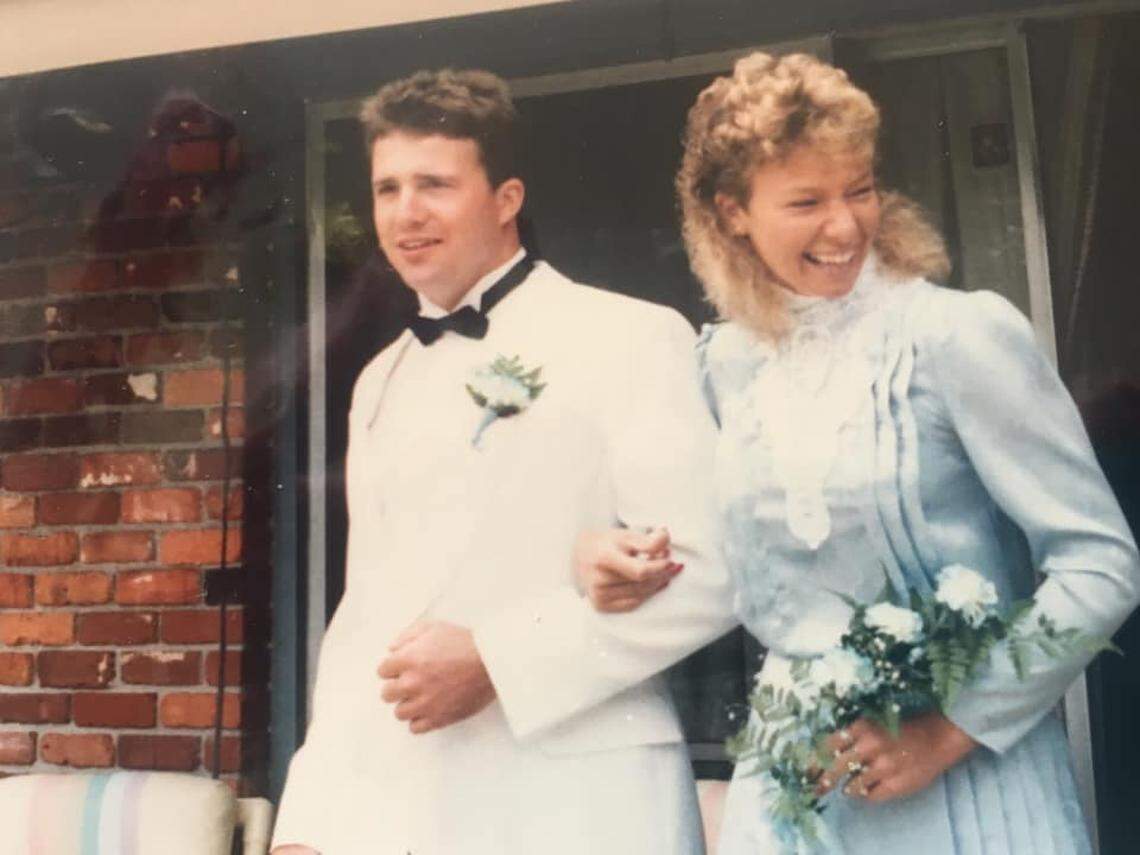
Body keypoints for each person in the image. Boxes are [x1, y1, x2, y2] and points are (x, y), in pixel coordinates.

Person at [577, 52, 1140, 853]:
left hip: (959, 784)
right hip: (793, 789)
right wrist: (606, 551)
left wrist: (949, 729)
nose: (844, 226)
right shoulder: (724, 365)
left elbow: (1101, 562)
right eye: (806, 200)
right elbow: (701, 553)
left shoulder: (956, 337)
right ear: (732, 212)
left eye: (861, 189)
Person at [269, 68, 736, 854]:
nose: (406, 212)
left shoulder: (629, 336)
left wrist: (499, 659)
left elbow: (715, 569)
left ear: (507, 198)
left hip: (581, 807)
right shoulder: (379, 381)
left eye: (435, 184)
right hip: (408, 812)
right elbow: (366, 617)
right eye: (387, 188)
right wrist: (311, 817)